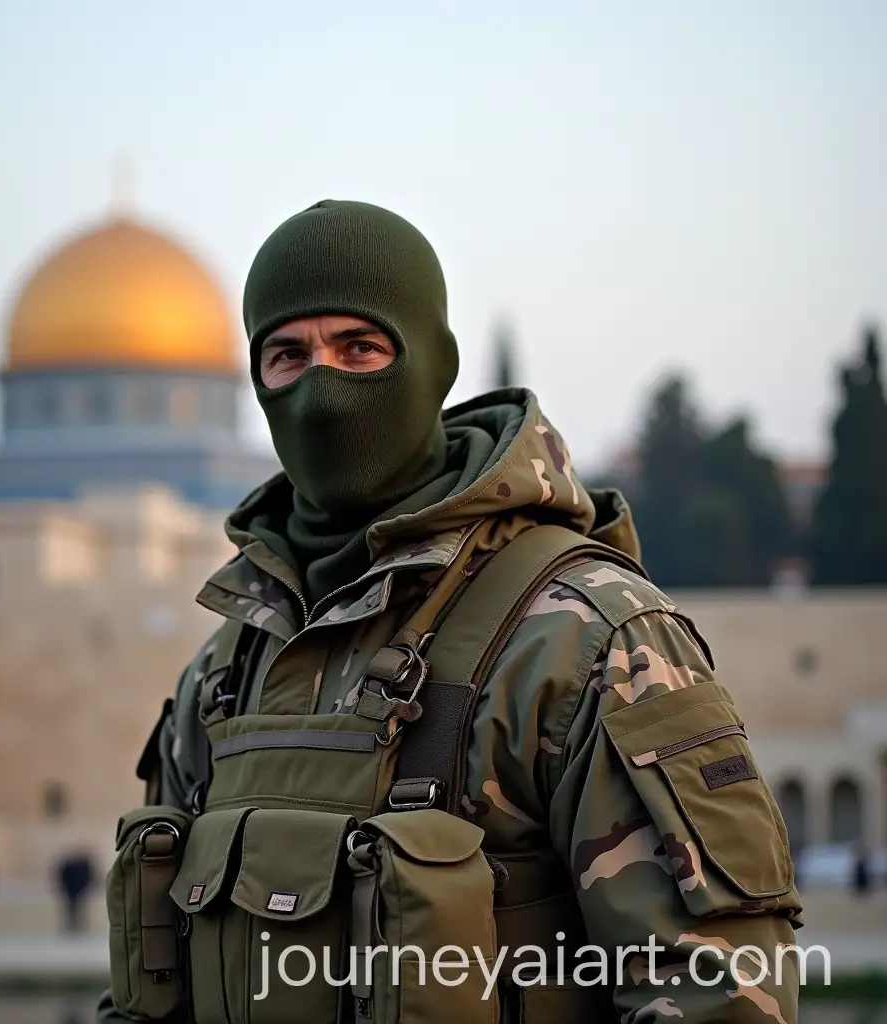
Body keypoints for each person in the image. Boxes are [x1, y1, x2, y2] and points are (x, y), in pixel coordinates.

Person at [98, 200, 802, 1022]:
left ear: (433, 364)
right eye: (288, 356)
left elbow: (722, 998)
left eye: (359, 348)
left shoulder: (587, 637)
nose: (322, 390)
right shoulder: (232, 665)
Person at [55, 851, 95, 933]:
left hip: (74, 890)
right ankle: (74, 924)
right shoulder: (81, 867)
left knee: (75, 908)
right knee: (74, 908)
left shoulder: (74, 867)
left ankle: (75, 924)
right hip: (74, 890)